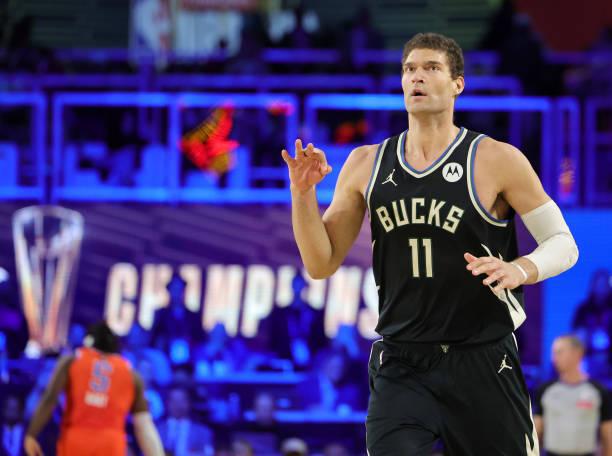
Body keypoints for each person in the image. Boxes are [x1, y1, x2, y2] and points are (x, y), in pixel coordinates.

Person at [281, 32, 579, 455]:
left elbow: (563, 243)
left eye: (431, 68)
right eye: (409, 69)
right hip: (402, 362)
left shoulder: (496, 158)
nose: (416, 77)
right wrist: (302, 194)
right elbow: (320, 262)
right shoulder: (366, 162)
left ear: (458, 84)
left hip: (482, 357)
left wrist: (521, 269)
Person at [23, 321, 164, 456]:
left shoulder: (71, 362)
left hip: (77, 439)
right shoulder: (132, 375)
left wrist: (31, 434)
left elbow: (49, 399)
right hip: (110, 443)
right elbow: (144, 425)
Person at [534, 335, 612, 456]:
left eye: (559, 352)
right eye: (553, 353)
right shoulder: (545, 390)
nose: (554, 358)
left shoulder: (599, 391)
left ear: (577, 353)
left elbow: (607, 436)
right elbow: (536, 433)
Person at [157, 385, 214, 456]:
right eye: (174, 401)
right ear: (167, 403)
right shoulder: (156, 430)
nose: (177, 405)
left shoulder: (203, 432)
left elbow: (208, 453)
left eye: (181, 401)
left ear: (189, 403)